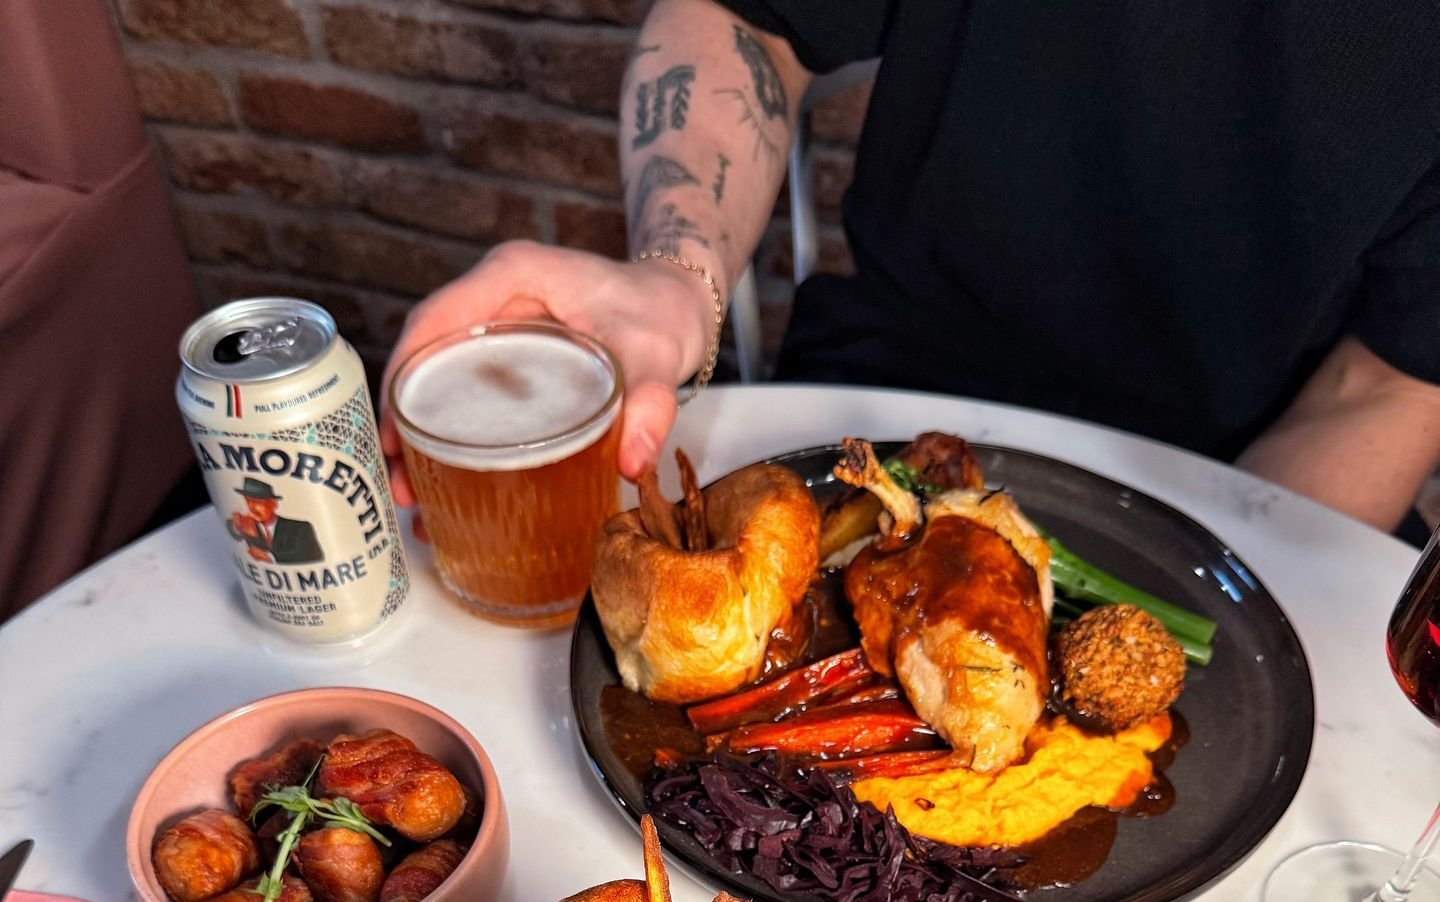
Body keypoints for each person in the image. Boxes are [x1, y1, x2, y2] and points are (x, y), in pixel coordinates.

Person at [381, 0, 1440, 534]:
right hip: (873, 409)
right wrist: (675, 276)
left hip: (1230, 488)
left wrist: (1202, 610)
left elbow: (1383, 388)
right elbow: (744, 18)